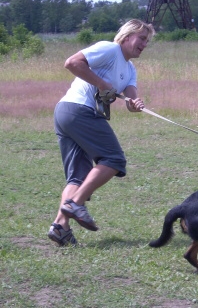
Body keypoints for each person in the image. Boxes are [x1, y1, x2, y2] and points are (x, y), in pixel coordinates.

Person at [47, 19, 156, 246]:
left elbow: (130, 98)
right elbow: (72, 63)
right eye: (142, 38)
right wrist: (102, 84)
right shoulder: (109, 49)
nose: (144, 44)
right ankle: (75, 204)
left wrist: (134, 104)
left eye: (147, 41)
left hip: (68, 114)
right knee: (114, 159)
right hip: (78, 110)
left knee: (78, 176)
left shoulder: (130, 69)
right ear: (127, 37)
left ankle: (60, 227)